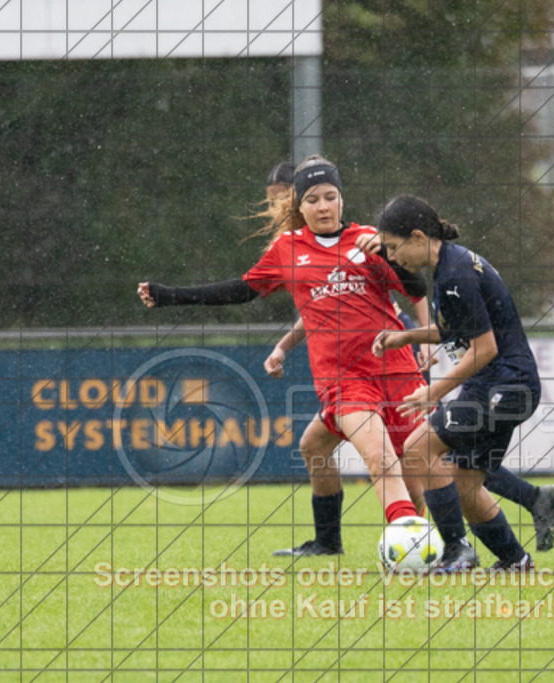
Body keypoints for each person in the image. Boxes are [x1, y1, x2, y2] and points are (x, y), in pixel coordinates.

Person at [138, 156, 429, 553]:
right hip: (343, 379)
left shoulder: (368, 240)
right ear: (300, 207)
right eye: (313, 199)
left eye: (331, 196)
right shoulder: (287, 249)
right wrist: (171, 295)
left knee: (361, 455)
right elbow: (241, 290)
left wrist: (394, 270)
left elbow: (416, 287)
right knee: (379, 455)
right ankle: (407, 543)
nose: (323, 206)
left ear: (342, 199)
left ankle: (407, 538)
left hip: (396, 371)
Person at [367, 194, 554, 571]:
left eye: (393, 247)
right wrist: (406, 337)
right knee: (464, 481)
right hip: (505, 384)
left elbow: (485, 348)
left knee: (418, 449)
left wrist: (434, 391)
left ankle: (458, 550)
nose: (391, 257)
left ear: (418, 236)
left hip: (503, 385)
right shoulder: (450, 265)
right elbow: (454, 330)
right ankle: (515, 560)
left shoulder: (456, 274)